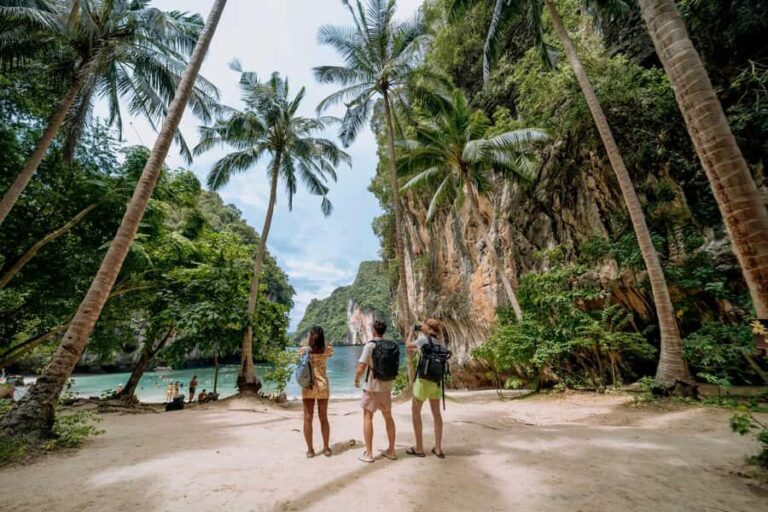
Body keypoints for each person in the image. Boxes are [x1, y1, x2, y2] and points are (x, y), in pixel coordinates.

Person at [354, 320, 397, 463]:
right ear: (384, 331)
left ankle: (369, 453)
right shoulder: (392, 345)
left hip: (372, 387)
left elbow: (361, 367)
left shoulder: (370, 345)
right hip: (387, 387)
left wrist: (356, 379)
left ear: (373, 330)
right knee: (388, 417)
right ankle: (391, 451)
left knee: (368, 417)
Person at [406, 318, 446, 459]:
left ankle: (419, 448)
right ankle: (438, 448)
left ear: (428, 328)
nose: (421, 326)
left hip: (423, 382)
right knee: (437, 414)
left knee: (416, 412)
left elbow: (408, 346)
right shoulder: (440, 343)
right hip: (436, 383)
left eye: (423, 324)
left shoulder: (424, 340)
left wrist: (411, 332)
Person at [301, 325, 334, 458]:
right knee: (323, 418)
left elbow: (299, 361)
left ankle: (310, 450)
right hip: (322, 386)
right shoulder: (327, 350)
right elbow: (330, 352)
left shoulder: (304, 350)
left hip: (308, 385)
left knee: (308, 419)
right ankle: (326, 448)